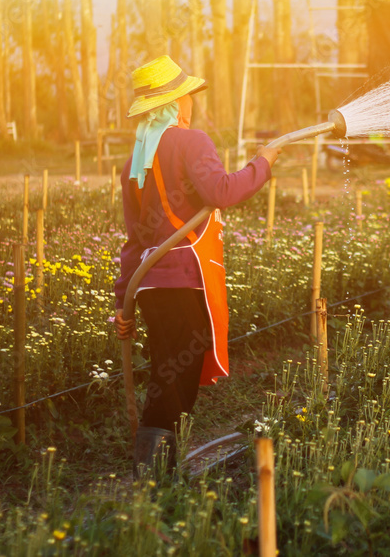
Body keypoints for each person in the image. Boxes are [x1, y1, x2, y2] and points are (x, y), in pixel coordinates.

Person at [113, 55, 280, 479]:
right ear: (176, 102)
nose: (192, 103)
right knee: (174, 380)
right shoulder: (190, 142)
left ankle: (157, 471)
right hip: (183, 281)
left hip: (148, 287)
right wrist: (263, 164)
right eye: (188, 95)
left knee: (166, 371)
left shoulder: (135, 161)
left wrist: (122, 302)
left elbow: (135, 240)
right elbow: (221, 191)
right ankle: (156, 478)